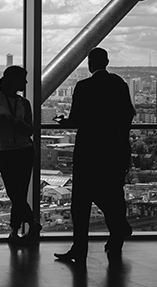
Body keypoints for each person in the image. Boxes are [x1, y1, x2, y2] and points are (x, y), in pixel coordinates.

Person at [54, 47, 136, 263]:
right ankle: (117, 234)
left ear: (90, 64)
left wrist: (64, 122)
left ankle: (80, 248)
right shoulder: (120, 85)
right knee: (112, 192)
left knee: (81, 201)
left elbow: (77, 119)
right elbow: (129, 114)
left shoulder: (84, 86)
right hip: (115, 149)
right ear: (107, 62)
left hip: (89, 150)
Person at [0, 65, 40, 244]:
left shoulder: (23, 103)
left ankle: (14, 231)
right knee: (15, 192)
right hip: (9, 149)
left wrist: (13, 122)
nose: (25, 82)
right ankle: (31, 224)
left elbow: (29, 129)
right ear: (13, 80)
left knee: (18, 192)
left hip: (21, 150)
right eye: (22, 79)